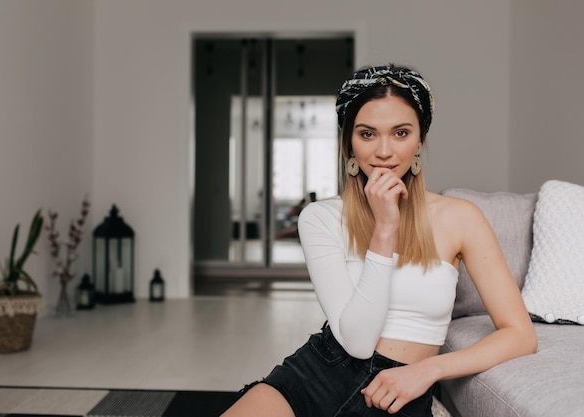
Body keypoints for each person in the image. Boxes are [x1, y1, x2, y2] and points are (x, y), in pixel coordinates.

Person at [222, 64, 537, 417]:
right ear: (349, 145)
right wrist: (385, 229)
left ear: (420, 140)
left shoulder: (460, 217)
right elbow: (356, 342)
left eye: (400, 133)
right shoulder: (321, 217)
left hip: (401, 392)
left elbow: (520, 334)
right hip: (318, 374)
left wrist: (428, 370)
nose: (384, 151)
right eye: (367, 134)